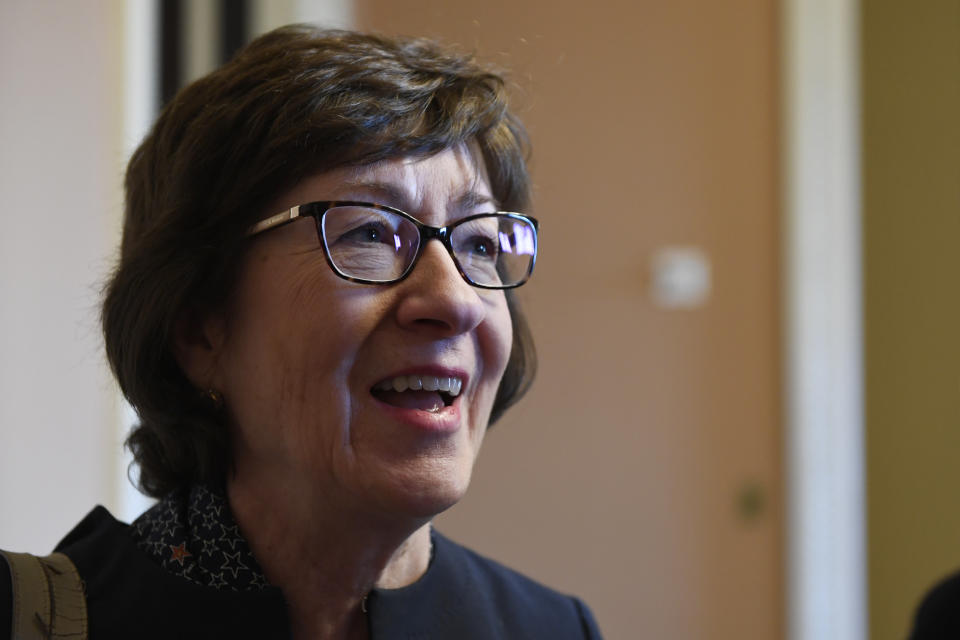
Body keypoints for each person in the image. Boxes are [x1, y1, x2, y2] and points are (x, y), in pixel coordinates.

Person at [0, 25, 602, 640]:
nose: (456, 301)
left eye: (479, 243)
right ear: (200, 331)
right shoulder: (39, 620)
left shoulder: (555, 628)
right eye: (369, 233)